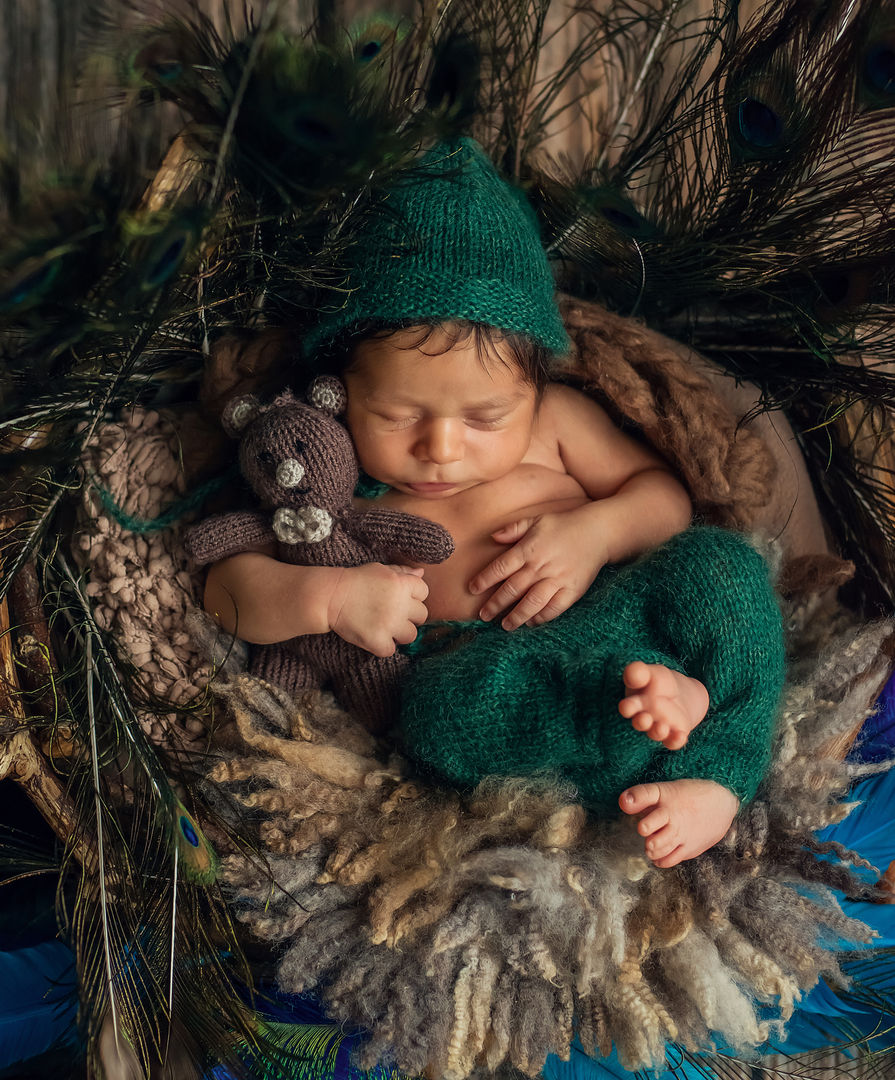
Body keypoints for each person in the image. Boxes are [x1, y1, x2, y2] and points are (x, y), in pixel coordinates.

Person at [202, 138, 785, 868]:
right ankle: (654, 736)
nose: (441, 447)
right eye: (397, 415)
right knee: (436, 717)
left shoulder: (557, 425)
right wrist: (327, 597)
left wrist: (595, 533)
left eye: (484, 419)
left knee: (718, 564)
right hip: (499, 676)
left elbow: (664, 500)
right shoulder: (324, 474)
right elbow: (225, 590)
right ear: (339, 387)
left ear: (536, 387)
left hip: (621, 610)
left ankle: (717, 769)